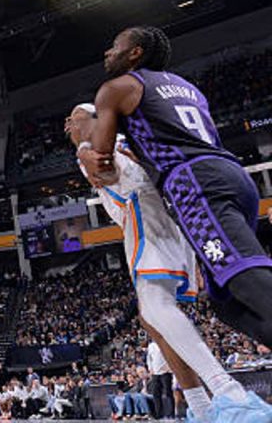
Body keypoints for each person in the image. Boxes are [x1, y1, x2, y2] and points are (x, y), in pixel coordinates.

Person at [67, 101, 269, 421]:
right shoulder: (120, 142)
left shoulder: (101, 143)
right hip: (163, 215)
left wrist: (83, 152)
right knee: (153, 320)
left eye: (75, 119)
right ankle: (201, 407)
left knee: (154, 307)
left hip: (144, 212)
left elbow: (105, 171)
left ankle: (229, 393)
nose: (68, 124)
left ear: (96, 119)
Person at [79, 26, 272, 348]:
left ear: (135, 52)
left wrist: (86, 152)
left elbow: (103, 161)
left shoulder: (116, 88)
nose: (107, 53)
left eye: (115, 46)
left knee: (241, 273)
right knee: (225, 301)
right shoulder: (186, 87)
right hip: (233, 175)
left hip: (194, 182)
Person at [147, 341, 175, 419]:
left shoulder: (166, 343)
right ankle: (159, 414)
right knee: (156, 393)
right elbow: (149, 359)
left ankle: (171, 414)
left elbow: (171, 356)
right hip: (155, 373)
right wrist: (150, 368)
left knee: (168, 392)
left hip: (165, 372)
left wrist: (169, 367)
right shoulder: (151, 345)